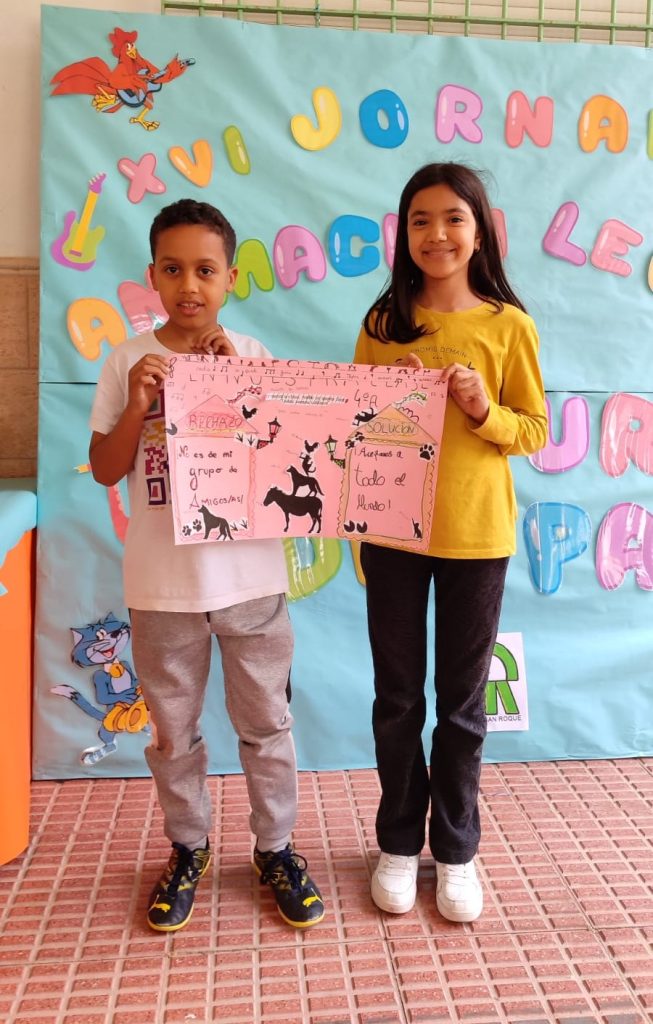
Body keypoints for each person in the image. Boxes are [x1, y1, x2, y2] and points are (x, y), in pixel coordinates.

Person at [89, 198, 324, 932]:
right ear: (152, 275)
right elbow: (105, 468)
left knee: (267, 723)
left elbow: (287, 461)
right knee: (173, 731)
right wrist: (140, 403)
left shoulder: (251, 355)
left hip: (250, 581)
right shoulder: (127, 360)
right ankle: (188, 847)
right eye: (173, 269)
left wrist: (241, 389)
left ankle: (275, 848)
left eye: (205, 270)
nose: (188, 284)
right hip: (162, 586)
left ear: (229, 279)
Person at [353, 162, 547, 923]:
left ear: (480, 232)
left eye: (453, 218)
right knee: (397, 698)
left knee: (462, 707)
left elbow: (531, 430)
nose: (436, 234)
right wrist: (386, 405)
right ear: (403, 234)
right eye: (420, 220)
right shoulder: (382, 324)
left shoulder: (508, 326)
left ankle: (457, 850)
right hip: (393, 535)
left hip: (477, 536)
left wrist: (481, 409)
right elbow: (354, 435)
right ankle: (399, 843)